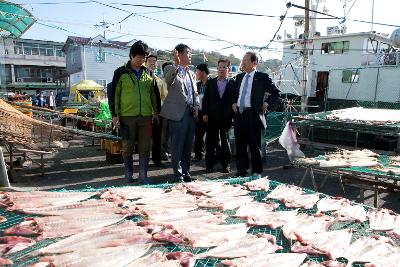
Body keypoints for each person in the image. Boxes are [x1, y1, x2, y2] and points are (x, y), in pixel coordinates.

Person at [110, 40, 158, 184]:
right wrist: (114, 114)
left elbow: (153, 94)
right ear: (131, 56)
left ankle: (143, 175)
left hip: (146, 117)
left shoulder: (149, 73)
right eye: (139, 57)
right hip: (126, 117)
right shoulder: (120, 72)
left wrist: (156, 112)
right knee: (127, 147)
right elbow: (114, 94)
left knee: (145, 147)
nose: (141, 60)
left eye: (144, 57)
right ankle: (128, 174)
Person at [232, 51, 281, 177]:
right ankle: (241, 172)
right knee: (240, 145)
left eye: (246, 60)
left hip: (253, 114)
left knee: (254, 146)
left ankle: (256, 172)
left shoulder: (262, 77)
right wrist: (233, 103)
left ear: (255, 62)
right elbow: (235, 94)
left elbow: (276, 93)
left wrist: (267, 103)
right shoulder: (239, 77)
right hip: (239, 114)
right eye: (242, 60)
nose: (243, 63)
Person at [160, 43, 199, 182]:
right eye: (188, 52)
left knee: (188, 145)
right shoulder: (170, 68)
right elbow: (168, 81)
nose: (190, 55)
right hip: (177, 113)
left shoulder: (191, 73)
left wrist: (197, 106)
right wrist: (176, 65)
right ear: (179, 54)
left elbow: (195, 93)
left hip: (190, 113)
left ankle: (186, 172)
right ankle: (178, 174)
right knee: (177, 145)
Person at [202, 59, 235, 173]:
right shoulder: (211, 82)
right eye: (220, 67)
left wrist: (233, 115)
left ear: (228, 69)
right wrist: (205, 113)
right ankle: (209, 165)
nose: (221, 69)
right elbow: (205, 99)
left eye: (224, 67)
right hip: (212, 117)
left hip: (226, 118)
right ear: (217, 69)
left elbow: (235, 101)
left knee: (225, 141)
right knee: (210, 142)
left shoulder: (232, 83)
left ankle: (226, 164)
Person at [145, 54, 167, 167]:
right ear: (145, 62)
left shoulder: (159, 80)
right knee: (144, 138)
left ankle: (156, 159)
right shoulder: (142, 78)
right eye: (150, 61)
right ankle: (143, 160)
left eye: (154, 61)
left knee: (157, 138)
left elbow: (164, 97)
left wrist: (159, 110)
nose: (152, 63)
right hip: (144, 113)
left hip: (157, 114)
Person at [192, 63, 209, 162]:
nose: (196, 73)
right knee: (198, 135)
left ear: (202, 72)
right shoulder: (197, 85)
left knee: (213, 136)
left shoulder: (212, 83)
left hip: (209, 113)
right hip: (199, 112)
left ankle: (217, 155)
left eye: (197, 71)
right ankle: (198, 154)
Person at [160, 62, 173, 160]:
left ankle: (169, 151)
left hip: (175, 111)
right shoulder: (161, 82)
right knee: (164, 133)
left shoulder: (177, 81)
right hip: (164, 111)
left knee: (171, 133)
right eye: (167, 70)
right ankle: (163, 152)